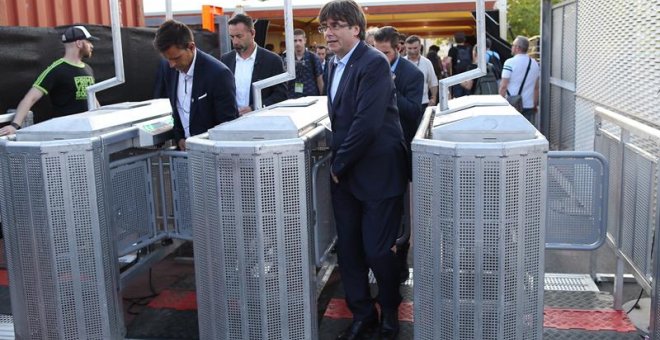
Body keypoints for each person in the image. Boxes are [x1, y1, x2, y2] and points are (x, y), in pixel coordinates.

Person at [320, 1, 408, 339]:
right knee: (350, 250)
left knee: (377, 250)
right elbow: (341, 118)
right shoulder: (332, 64)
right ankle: (362, 314)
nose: (328, 31)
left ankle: (389, 310)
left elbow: (367, 124)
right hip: (347, 172)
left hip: (377, 171)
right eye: (325, 25)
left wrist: (338, 164)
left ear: (356, 29)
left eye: (336, 25)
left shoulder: (373, 63)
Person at [374, 26, 424, 285]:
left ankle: (401, 260)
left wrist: (391, 87)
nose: (380, 58)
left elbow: (414, 112)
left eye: (386, 54)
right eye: (377, 52)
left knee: (401, 210)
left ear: (398, 50)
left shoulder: (412, 75)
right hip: (372, 152)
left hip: (399, 151)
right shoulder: (368, 68)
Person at [153, 19, 238, 151]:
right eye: (167, 59)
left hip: (212, 154)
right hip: (184, 153)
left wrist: (201, 144)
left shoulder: (218, 74)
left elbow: (227, 124)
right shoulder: (168, 68)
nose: (172, 64)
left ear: (191, 47)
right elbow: (176, 109)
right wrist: (179, 137)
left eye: (176, 58)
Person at [0, 25, 98, 136]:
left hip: (89, 131)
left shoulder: (88, 69)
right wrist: (14, 126)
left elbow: (93, 98)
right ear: (79, 43)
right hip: (67, 134)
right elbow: (30, 98)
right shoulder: (56, 69)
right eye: (89, 42)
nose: (92, 46)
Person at [220, 13, 287, 115]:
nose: (235, 42)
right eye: (232, 37)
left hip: (262, 120)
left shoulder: (272, 60)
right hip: (231, 121)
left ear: (252, 33)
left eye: (239, 36)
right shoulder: (226, 59)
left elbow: (281, 94)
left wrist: (254, 108)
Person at [499, 35, 540, 122]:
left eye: (513, 45)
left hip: (512, 105)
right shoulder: (535, 64)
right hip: (529, 106)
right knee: (527, 133)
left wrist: (500, 103)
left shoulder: (509, 63)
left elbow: (503, 86)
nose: (511, 47)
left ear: (517, 48)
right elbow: (536, 88)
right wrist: (535, 104)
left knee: (512, 133)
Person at [285, 29, 324, 98]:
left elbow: (320, 80)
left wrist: (323, 98)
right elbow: (285, 81)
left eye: (300, 40)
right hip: (293, 98)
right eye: (295, 40)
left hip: (311, 98)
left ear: (305, 40)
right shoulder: (287, 59)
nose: (297, 43)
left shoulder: (313, 58)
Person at [404, 35, 439, 109]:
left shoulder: (427, 62)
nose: (412, 51)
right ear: (405, 47)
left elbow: (433, 82)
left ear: (420, 46)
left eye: (415, 48)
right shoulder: (402, 62)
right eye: (409, 48)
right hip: (405, 104)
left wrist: (433, 98)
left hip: (423, 103)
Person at [447, 31, 473, 98]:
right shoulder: (470, 48)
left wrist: (449, 72)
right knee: (468, 98)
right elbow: (474, 61)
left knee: (457, 99)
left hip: (456, 77)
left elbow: (448, 62)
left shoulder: (453, 49)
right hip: (468, 77)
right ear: (464, 39)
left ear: (455, 39)